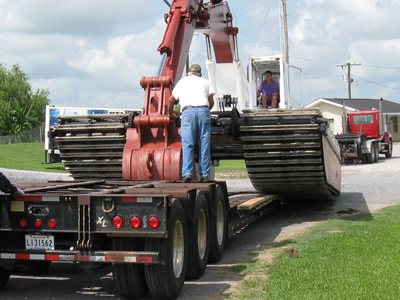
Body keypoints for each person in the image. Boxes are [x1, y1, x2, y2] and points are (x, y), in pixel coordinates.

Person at [168, 64, 214, 183]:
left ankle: (187, 173)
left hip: (187, 112)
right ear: (200, 74)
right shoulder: (205, 82)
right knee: (204, 144)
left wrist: (171, 113)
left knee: (188, 144)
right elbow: (211, 102)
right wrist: (205, 111)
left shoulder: (182, 82)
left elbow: (171, 100)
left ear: (188, 73)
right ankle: (204, 175)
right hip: (203, 111)